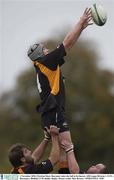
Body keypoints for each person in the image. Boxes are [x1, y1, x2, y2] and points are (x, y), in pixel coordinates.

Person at [27, 8, 92, 174]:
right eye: (45, 48)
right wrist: (80, 22)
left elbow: (67, 46)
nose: (48, 49)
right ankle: (77, 177)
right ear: (41, 54)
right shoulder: (47, 61)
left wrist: (82, 29)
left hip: (50, 111)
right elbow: (67, 43)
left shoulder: (43, 64)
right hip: (53, 110)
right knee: (68, 148)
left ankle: (64, 175)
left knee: (63, 152)